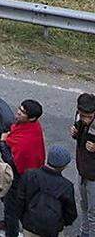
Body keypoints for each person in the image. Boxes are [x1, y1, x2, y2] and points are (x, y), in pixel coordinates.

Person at [8, 145, 78, 237]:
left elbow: (20, 201)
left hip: (30, 225)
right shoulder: (66, 186)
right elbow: (71, 214)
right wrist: (60, 224)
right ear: (63, 166)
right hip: (53, 230)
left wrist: (24, 219)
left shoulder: (30, 175)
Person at [2, 99, 47, 236]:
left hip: (21, 179)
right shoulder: (32, 128)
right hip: (30, 177)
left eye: (22, 112)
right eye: (20, 109)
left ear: (32, 117)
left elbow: (12, 161)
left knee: (12, 209)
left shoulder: (25, 141)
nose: (18, 112)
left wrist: (3, 143)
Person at [73, 93, 95, 237]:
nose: (85, 119)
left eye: (89, 116)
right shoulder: (79, 118)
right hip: (83, 170)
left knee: (93, 213)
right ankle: (83, 233)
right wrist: (75, 133)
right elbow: (79, 137)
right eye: (82, 116)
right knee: (84, 206)